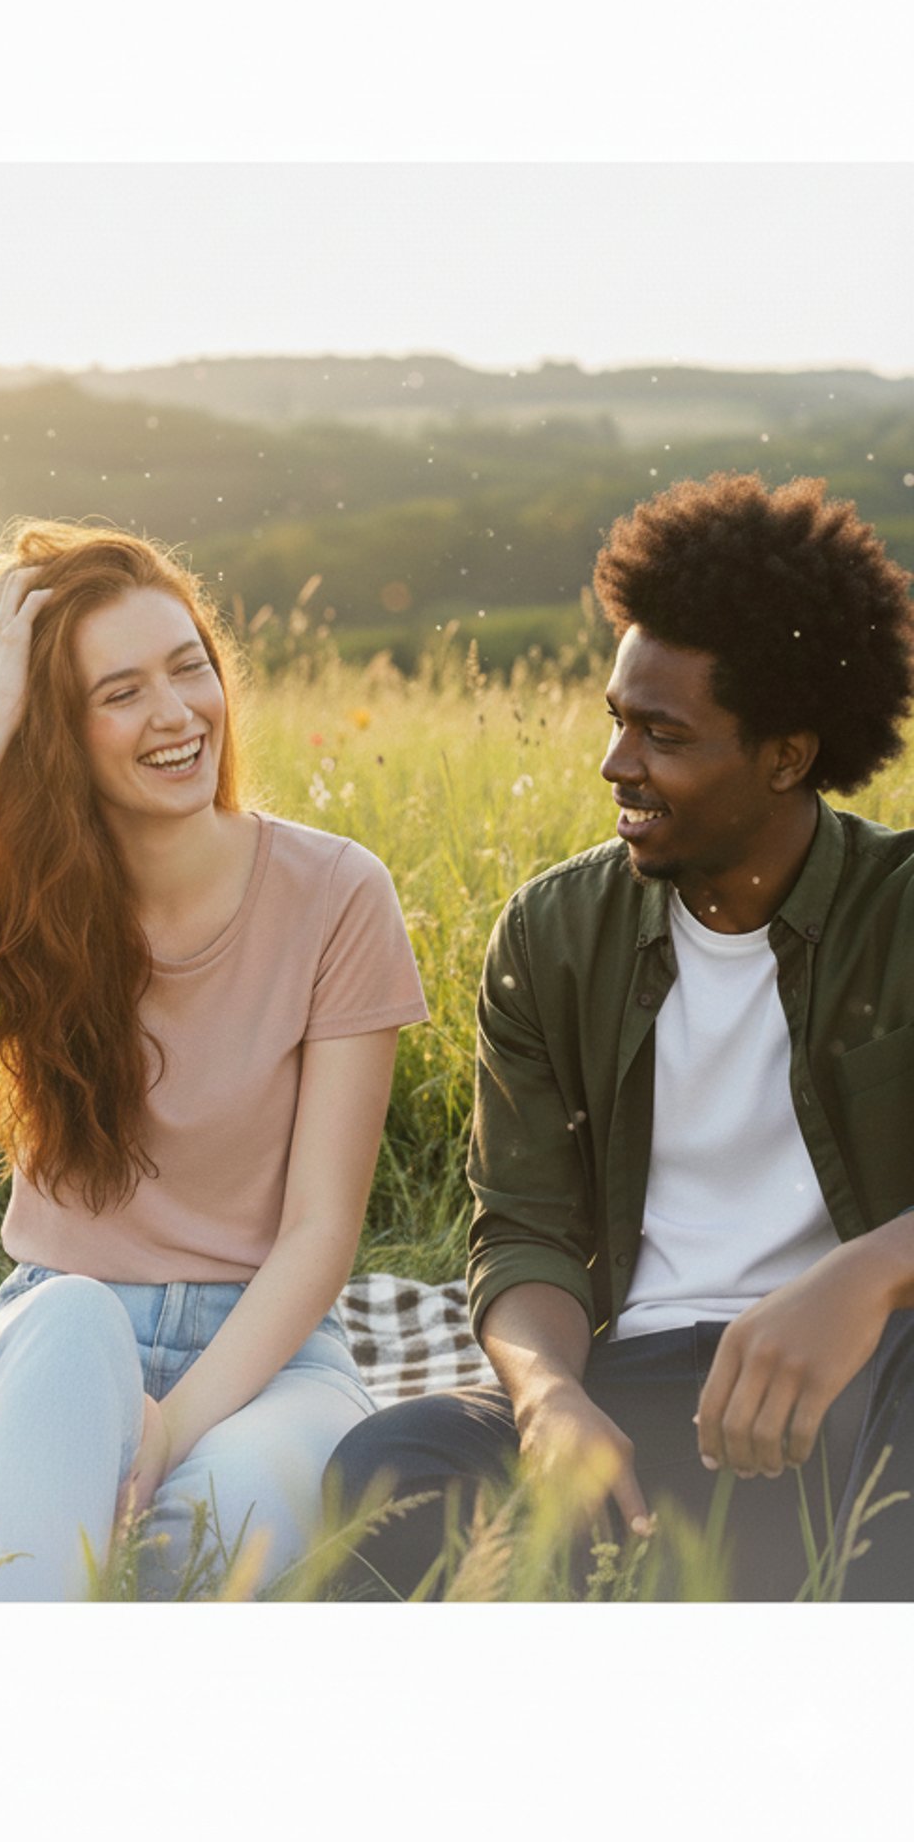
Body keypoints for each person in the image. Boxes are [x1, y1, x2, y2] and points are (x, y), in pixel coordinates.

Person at [0, 520, 426, 1600]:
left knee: (215, 1527)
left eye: (190, 669)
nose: (176, 713)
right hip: (56, 1341)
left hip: (270, 1360)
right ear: (60, 733)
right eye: (122, 692)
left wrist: (168, 1431)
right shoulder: (31, 908)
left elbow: (321, 1232)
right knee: (76, 1317)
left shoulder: (338, 894)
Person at [327, 472, 914, 1601]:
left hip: (863, 1399)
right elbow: (524, 1230)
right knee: (392, 1463)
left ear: (787, 757)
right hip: (636, 1413)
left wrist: (868, 1278)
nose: (617, 763)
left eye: (663, 734)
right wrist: (549, 1397)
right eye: (617, 720)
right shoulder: (552, 934)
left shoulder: (902, 909)